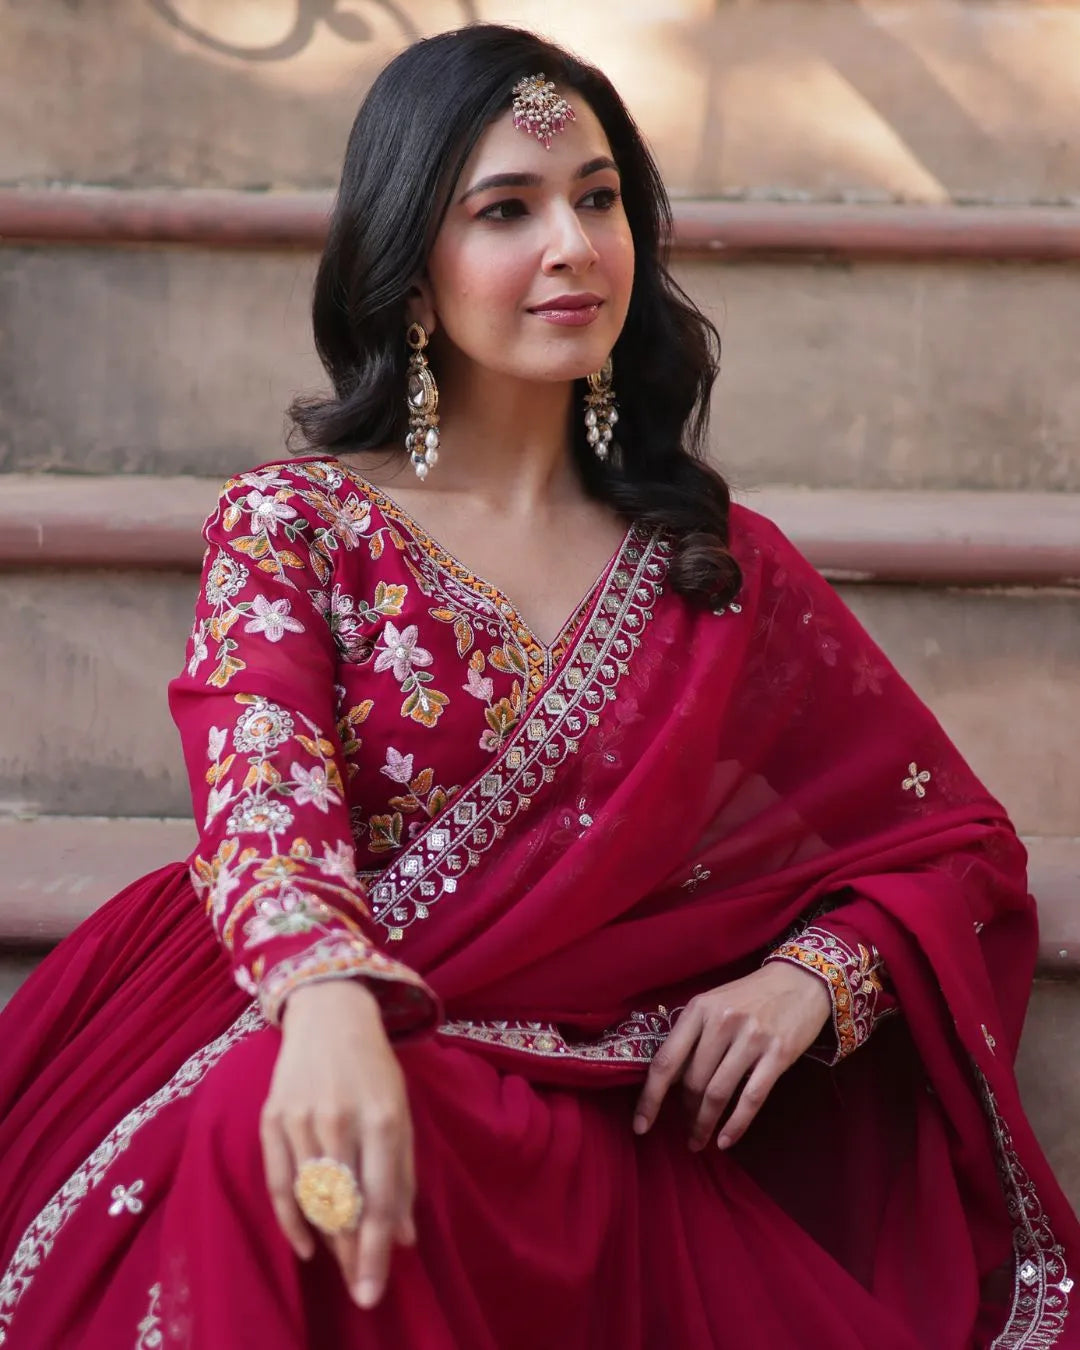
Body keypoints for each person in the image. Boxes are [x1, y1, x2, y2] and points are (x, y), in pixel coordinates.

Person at [0, 23, 1076, 1349]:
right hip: (305, 1013)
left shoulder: (712, 571)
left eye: (600, 197)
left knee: (452, 1134)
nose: (573, 244)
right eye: (507, 209)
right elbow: (260, 789)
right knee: (276, 1125)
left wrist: (810, 974)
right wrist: (330, 1006)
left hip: (570, 1096)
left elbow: (949, 844)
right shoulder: (297, 522)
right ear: (409, 267)